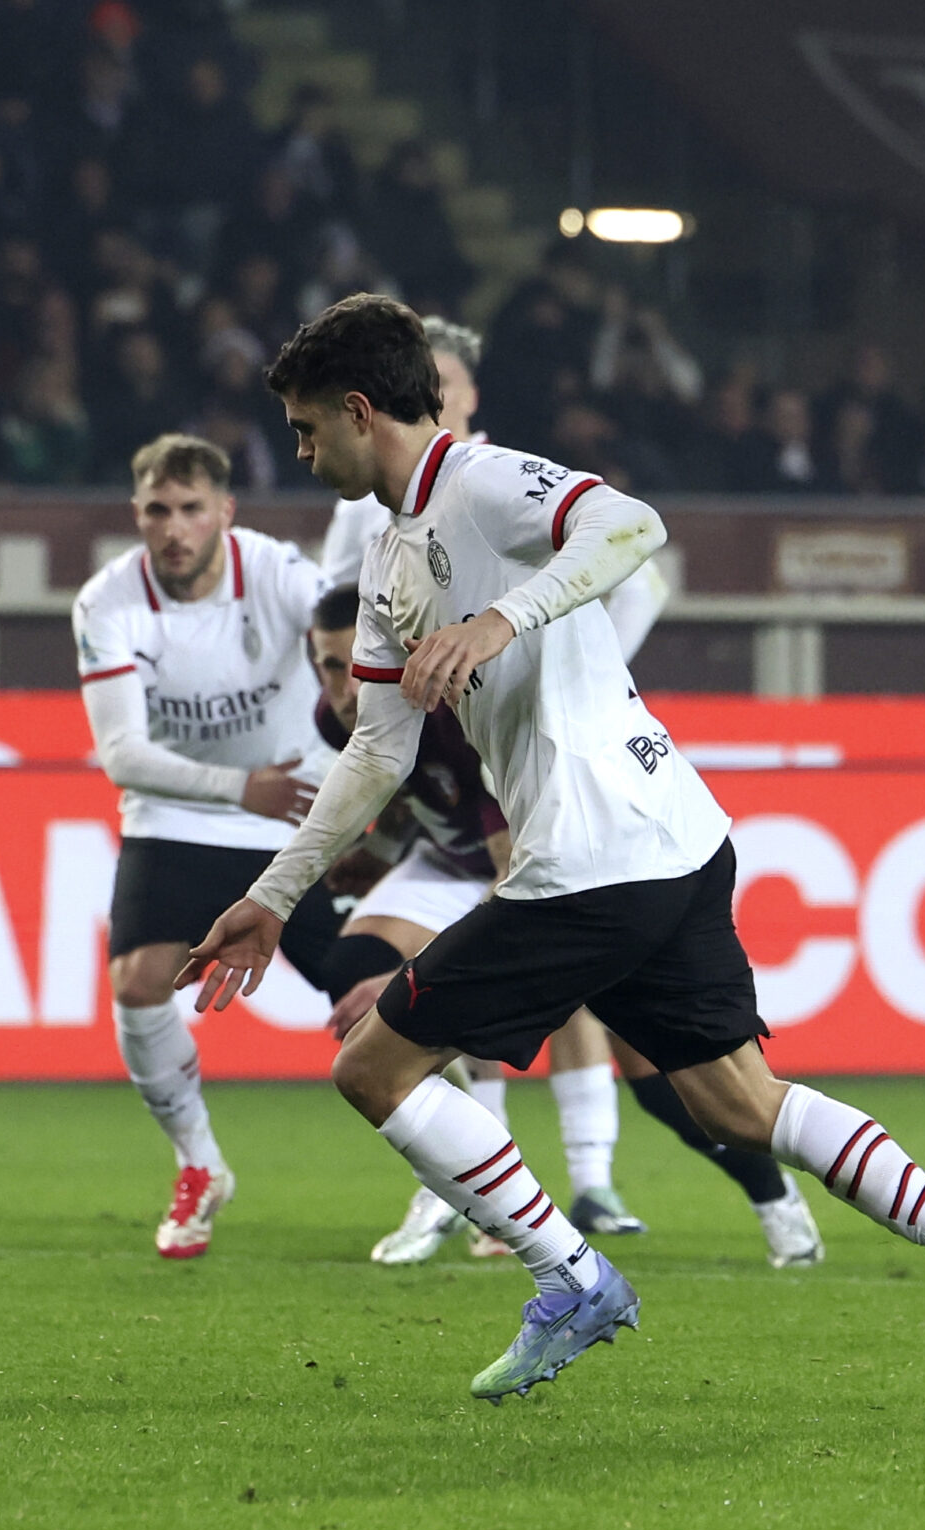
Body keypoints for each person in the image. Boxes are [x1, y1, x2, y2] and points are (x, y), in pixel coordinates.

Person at [183, 295, 925, 1417]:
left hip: (591, 858)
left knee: (372, 1068)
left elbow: (632, 525)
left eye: (307, 430)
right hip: (669, 839)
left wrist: (503, 620)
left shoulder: (479, 481)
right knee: (740, 1103)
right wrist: (271, 896)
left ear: (359, 411)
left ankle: (572, 1276)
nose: (301, 453)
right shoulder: (394, 557)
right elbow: (379, 751)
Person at [302, 585, 828, 1269]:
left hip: (553, 875)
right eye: (328, 666)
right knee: (360, 972)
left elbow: (512, 871)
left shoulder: (458, 715)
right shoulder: (337, 719)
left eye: (355, 664)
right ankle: (455, 1181)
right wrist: (377, 853)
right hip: (453, 868)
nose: (344, 686)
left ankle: (771, 1196)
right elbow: (412, 795)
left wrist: (414, 973)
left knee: (670, 1079)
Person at [317, 315, 691, 1254]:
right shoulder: (369, 523)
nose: (430, 401)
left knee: (698, 1079)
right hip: (441, 771)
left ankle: (584, 1190)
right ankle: (479, 1194)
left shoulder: (494, 479)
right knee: (373, 990)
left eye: (445, 385)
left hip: (535, 773)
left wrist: (527, 649)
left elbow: (638, 555)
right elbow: (347, 634)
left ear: (462, 396)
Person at [74, 432, 340, 1259]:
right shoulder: (107, 602)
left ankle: (464, 1179)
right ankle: (199, 1162)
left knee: (378, 988)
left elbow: (357, 643)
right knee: (137, 981)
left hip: (295, 811)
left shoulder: (281, 575)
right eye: (157, 509)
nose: (173, 528)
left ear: (225, 511)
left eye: (191, 509)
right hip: (179, 814)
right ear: (137, 513)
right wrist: (238, 786)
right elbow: (122, 754)